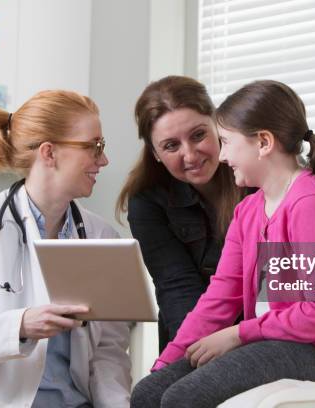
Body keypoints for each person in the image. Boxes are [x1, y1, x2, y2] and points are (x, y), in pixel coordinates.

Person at [130, 80, 315, 408]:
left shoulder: (312, 203)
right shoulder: (248, 210)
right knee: (148, 394)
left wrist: (239, 333)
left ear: (263, 142)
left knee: (185, 398)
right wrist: (166, 364)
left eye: (226, 142)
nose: (221, 156)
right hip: (276, 341)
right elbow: (219, 297)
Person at [0, 90, 131, 407]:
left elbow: (109, 351)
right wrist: (22, 326)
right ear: (49, 153)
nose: (103, 159)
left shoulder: (100, 235)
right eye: (94, 146)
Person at [116, 76, 247, 352]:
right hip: (195, 335)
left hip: (265, 334)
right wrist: (202, 352)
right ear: (155, 153)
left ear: (217, 124)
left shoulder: (260, 176)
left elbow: (288, 291)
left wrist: (244, 340)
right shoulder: (147, 202)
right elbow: (176, 288)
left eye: (198, 135)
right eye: (171, 146)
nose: (190, 155)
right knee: (153, 394)